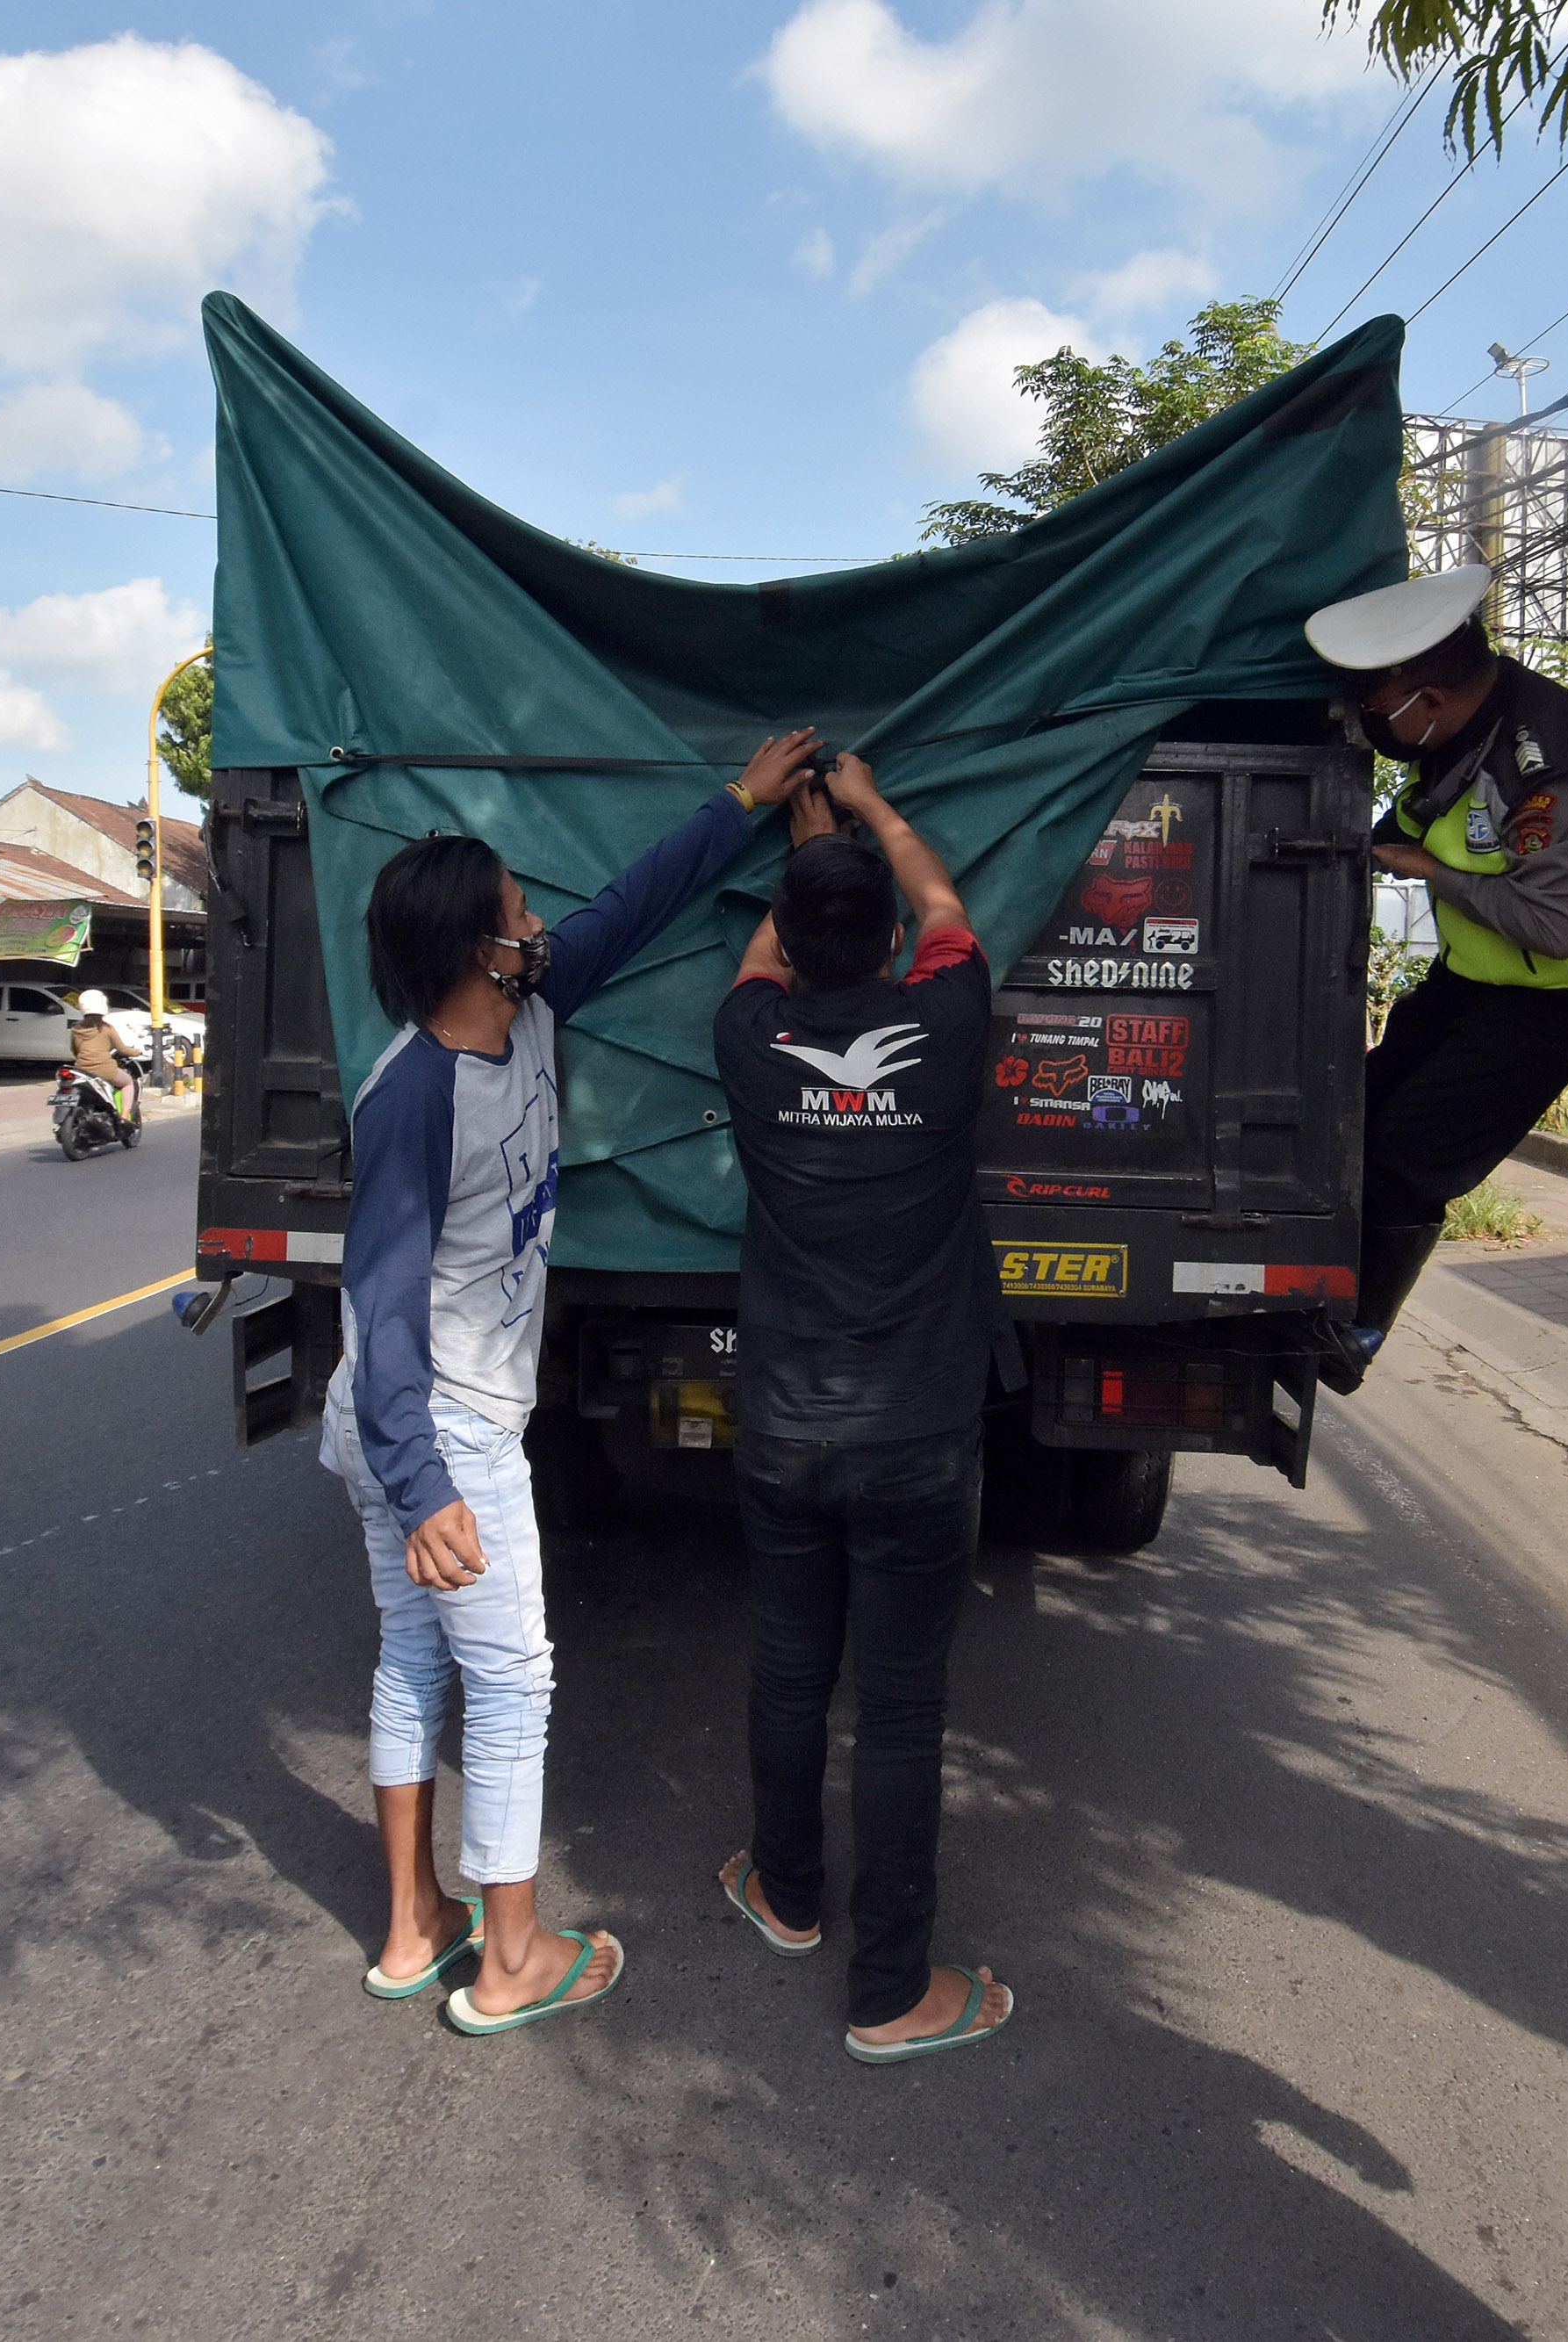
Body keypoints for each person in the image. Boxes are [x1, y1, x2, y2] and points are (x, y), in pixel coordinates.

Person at [322, 727, 816, 2033]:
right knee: (513, 1680)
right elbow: (377, 1303)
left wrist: (742, 802)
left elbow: (632, 902)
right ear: (476, 950)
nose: (538, 923)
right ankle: (511, 1961)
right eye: (516, 912)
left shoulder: (531, 1012)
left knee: (414, 1657)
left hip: (419, 1417)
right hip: (434, 1424)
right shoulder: (413, 1097)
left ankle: (414, 1926)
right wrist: (423, 1483)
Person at [708, 753, 1018, 2065]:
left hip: (784, 1424)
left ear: (785, 940)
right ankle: (890, 1991)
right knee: (898, 1709)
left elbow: (763, 958)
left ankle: (786, 1892)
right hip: (917, 1433)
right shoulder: (948, 1017)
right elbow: (943, 901)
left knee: (789, 1668)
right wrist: (873, 808)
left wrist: (804, 842)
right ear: (893, 944)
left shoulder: (747, 1036)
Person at [1299, 560, 1568, 1392]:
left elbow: (1554, 925)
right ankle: (1316, 1284)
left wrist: (1431, 870)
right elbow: (1407, 824)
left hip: (1559, 993)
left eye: (1377, 707)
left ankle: (1355, 1331)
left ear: (1428, 700)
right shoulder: (1466, 731)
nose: (1370, 721)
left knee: (1410, 1152)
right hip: (1478, 977)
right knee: (1355, 1112)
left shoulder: (1555, 767)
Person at [65, 989, 140, 1128]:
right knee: (128, 1082)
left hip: (81, 1071)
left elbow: (74, 1050)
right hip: (105, 1070)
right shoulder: (107, 1028)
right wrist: (137, 1052)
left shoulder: (76, 1029)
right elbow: (122, 1050)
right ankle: (124, 1118)